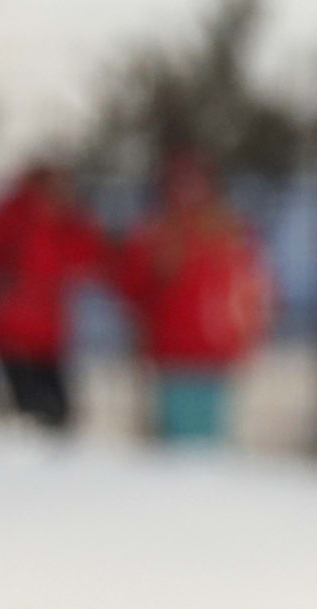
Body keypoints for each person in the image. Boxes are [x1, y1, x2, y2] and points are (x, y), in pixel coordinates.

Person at [111, 152, 273, 447]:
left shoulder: (229, 233)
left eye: (194, 184)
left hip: (214, 357)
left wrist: (245, 337)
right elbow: (129, 290)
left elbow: (250, 292)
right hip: (171, 357)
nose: (188, 193)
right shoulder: (153, 235)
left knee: (209, 448)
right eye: (180, 185)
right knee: (176, 450)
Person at [0, 158, 107, 431]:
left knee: (57, 416)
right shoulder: (10, 217)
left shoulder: (66, 222)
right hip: (9, 336)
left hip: (48, 339)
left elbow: (91, 254)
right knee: (26, 419)